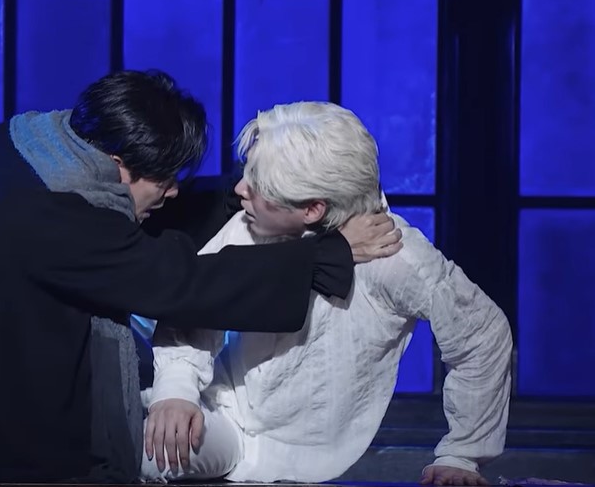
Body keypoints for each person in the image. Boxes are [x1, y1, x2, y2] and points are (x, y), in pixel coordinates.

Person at [0, 72, 401, 482]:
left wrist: (247, 200)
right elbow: (173, 284)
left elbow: (140, 218)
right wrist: (327, 253)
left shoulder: (39, 145)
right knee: (57, 437)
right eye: (167, 179)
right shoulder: (51, 215)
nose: (173, 194)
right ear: (122, 164)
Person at [142, 101, 513, 486]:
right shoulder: (245, 226)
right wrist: (177, 390)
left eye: (258, 185)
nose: (238, 189)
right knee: (130, 453)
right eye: (246, 173)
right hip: (224, 415)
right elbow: (196, 309)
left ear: (312, 209)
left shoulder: (391, 254)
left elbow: (481, 333)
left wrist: (462, 454)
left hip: (309, 453)